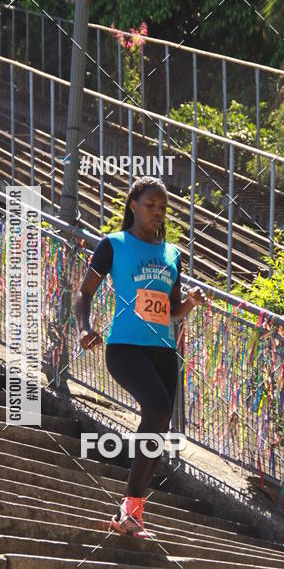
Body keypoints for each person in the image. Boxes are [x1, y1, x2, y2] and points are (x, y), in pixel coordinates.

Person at [75, 176, 204, 537]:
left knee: (159, 425)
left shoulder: (172, 254)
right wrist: (84, 328)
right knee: (159, 409)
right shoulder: (113, 245)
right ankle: (129, 506)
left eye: (163, 208)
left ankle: (132, 511)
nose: (158, 213)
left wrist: (189, 304)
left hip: (164, 350)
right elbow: (84, 294)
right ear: (133, 204)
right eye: (151, 205)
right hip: (126, 348)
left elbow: (170, 310)